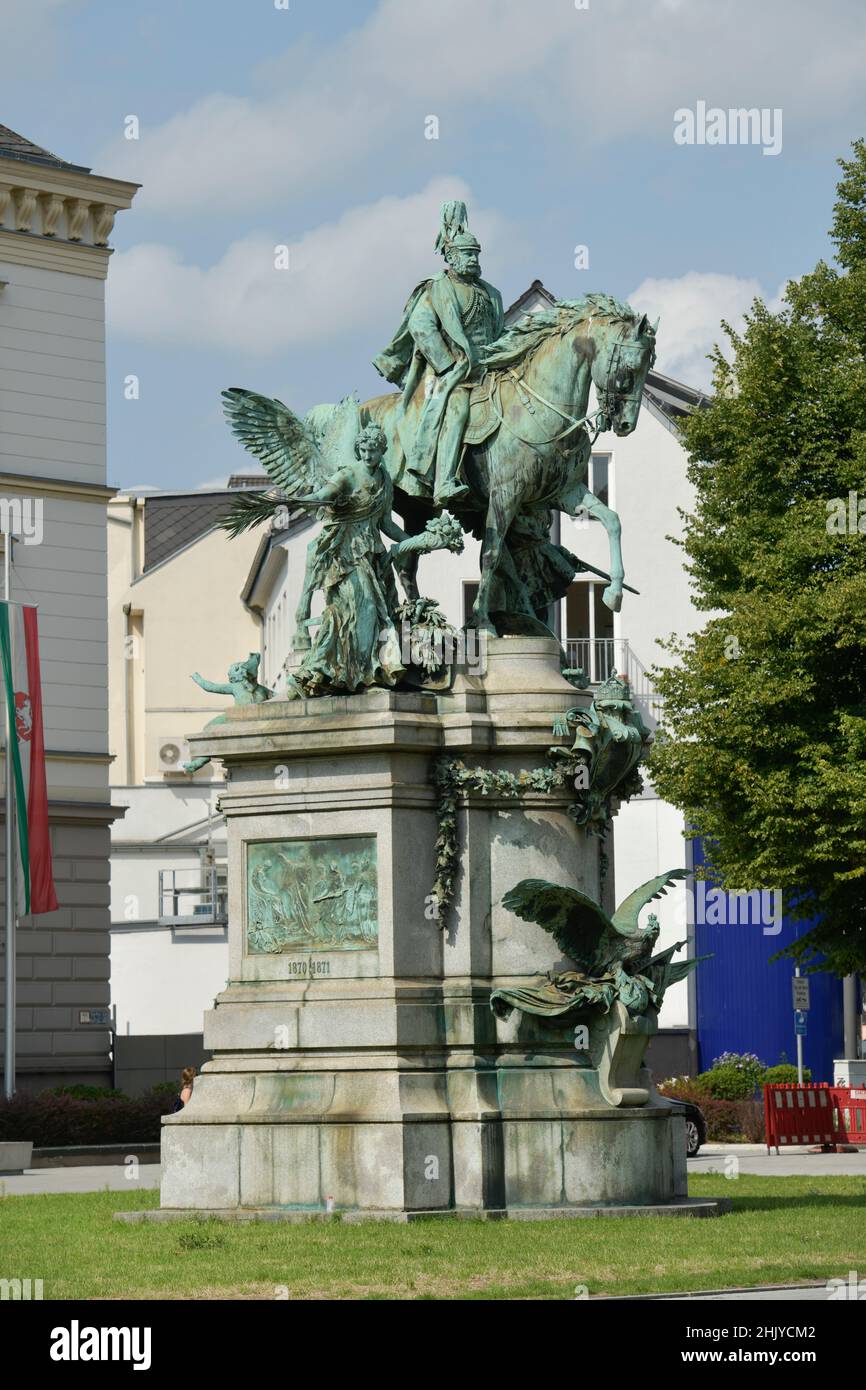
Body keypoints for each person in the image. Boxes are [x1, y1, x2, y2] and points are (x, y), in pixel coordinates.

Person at [373, 200, 504, 506]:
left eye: (475, 254)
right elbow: (422, 328)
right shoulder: (436, 289)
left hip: (490, 372)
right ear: (450, 255)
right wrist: (448, 364)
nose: (472, 259)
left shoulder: (492, 294)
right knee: (457, 410)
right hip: (451, 374)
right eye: (466, 254)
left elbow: (499, 333)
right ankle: (444, 481)